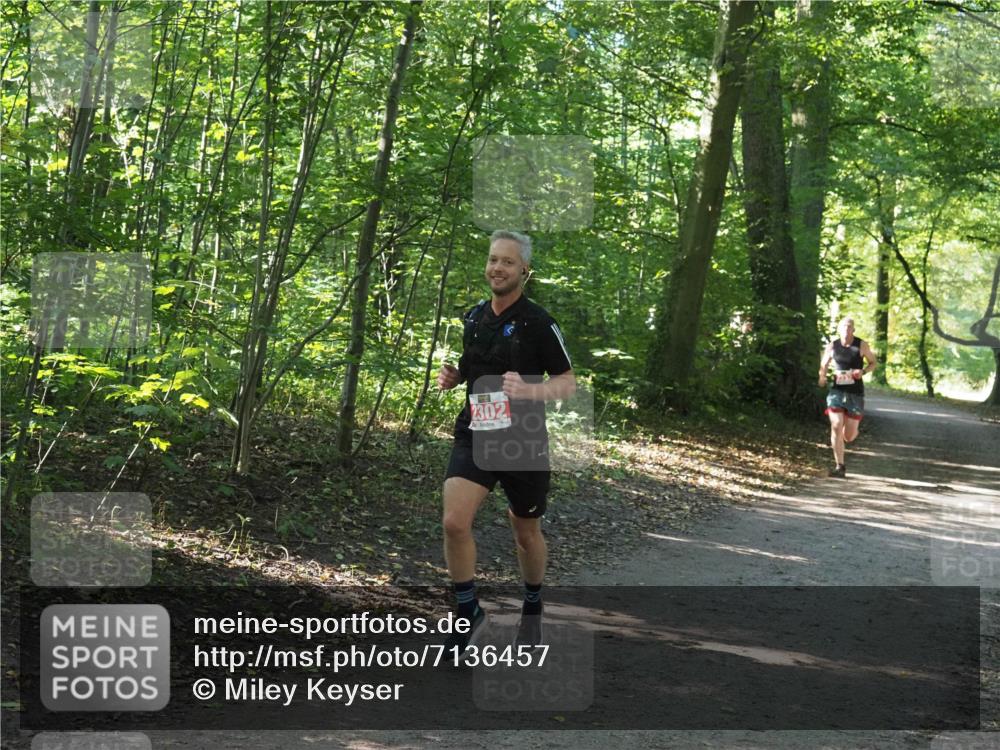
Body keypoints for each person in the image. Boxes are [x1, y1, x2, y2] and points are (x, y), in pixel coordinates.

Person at [436, 230, 576, 657]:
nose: (497, 268)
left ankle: (532, 606)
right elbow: (475, 363)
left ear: (524, 271)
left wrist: (530, 390)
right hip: (477, 431)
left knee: (525, 534)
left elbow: (568, 384)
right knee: (454, 522)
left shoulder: (540, 324)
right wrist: (456, 376)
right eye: (493, 260)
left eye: (507, 262)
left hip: (523, 444)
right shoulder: (474, 317)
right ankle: (467, 613)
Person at [818, 317, 878, 478]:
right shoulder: (833, 346)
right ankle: (840, 466)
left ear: (853, 330)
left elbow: (873, 362)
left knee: (848, 436)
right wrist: (822, 377)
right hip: (837, 391)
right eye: (844, 327)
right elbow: (823, 364)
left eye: (849, 327)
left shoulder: (861, 345)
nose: (846, 329)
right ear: (839, 329)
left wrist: (863, 371)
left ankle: (851, 431)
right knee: (836, 425)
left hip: (855, 393)